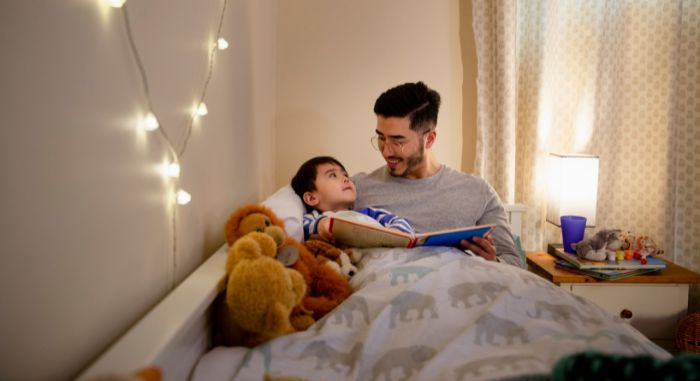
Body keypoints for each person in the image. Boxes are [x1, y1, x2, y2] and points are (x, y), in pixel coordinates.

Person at [352, 81, 523, 267]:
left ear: (430, 139)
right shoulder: (356, 189)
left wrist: (493, 261)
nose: (386, 151)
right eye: (381, 138)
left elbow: (515, 264)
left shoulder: (477, 192)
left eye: (397, 141)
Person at [291, 156, 414, 241]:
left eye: (345, 175)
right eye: (332, 175)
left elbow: (399, 221)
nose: (346, 179)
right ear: (311, 198)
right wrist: (320, 224)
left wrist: (396, 231)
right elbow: (301, 229)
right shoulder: (314, 218)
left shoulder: (369, 213)